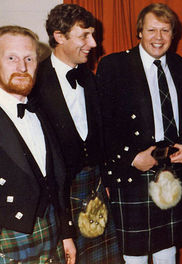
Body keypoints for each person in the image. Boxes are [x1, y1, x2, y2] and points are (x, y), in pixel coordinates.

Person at [96, 3, 182, 264]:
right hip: (135, 172)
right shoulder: (114, 65)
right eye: (151, 29)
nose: (159, 37)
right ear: (139, 32)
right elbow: (103, 125)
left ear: (173, 35)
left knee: (168, 250)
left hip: (173, 170)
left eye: (165, 30)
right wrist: (130, 159)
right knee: (135, 254)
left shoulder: (180, 66)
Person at [32, 4, 121, 263]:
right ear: (59, 37)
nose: (93, 43)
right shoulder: (35, 81)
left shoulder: (89, 79)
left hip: (93, 185)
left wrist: (105, 180)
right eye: (84, 35)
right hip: (57, 193)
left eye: (93, 35)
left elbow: (100, 136)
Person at [0, 25, 76, 264]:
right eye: (11, 58)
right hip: (7, 238)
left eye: (29, 59)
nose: (22, 68)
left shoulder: (40, 113)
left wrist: (66, 234)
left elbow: (57, 181)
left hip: (51, 232)